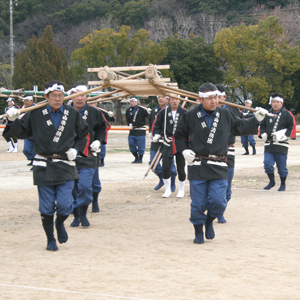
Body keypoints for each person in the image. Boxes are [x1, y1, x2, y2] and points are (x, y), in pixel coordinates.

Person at [174, 82, 267, 244]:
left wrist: (256, 119)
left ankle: (209, 220)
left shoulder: (225, 114)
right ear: (199, 99)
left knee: (219, 201)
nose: (214, 101)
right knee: (198, 202)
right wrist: (184, 150)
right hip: (198, 164)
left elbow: (241, 127)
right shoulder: (189, 116)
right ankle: (198, 230)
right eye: (209, 98)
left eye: (216, 97)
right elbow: (179, 135)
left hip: (219, 164)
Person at [7, 80, 88, 251]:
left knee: (66, 204)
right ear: (46, 97)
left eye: (60, 96)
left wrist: (76, 149)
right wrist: (13, 120)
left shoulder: (72, 113)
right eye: (54, 96)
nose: (57, 99)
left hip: (65, 163)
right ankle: (50, 239)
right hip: (43, 164)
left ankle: (60, 223)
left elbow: (82, 134)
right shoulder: (35, 113)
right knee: (46, 205)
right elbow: (22, 132)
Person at [68, 85, 107, 226]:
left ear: (87, 97)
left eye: (82, 95)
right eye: (76, 95)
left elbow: (103, 128)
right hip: (68, 155)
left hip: (88, 154)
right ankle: (76, 214)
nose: (79, 98)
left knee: (85, 186)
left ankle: (82, 213)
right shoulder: (64, 112)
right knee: (71, 187)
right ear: (70, 96)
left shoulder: (94, 112)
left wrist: (98, 140)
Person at [215, 84, 243, 223]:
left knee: (227, 184)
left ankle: (220, 211)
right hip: (210, 152)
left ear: (225, 97)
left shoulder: (232, 110)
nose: (217, 100)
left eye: (220, 97)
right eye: (214, 97)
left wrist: (256, 120)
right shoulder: (203, 111)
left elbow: (241, 126)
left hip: (228, 150)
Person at [153, 93, 187, 198]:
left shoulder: (185, 113)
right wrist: (157, 134)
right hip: (167, 141)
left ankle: (181, 189)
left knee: (181, 168)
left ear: (180, 101)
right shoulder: (163, 112)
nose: (174, 101)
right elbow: (157, 124)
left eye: (177, 99)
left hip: (181, 142)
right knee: (166, 166)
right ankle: (167, 189)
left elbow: (191, 128)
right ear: (169, 100)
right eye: (172, 99)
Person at [259, 93, 294, 191]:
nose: (275, 104)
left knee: (281, 166)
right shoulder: (266, 114)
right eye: (274, 102)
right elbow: (262, 126)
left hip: (281, 145)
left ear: (282, 103)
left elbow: (292, 127)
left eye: (277, 102)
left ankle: (283, 184)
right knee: (267, 164)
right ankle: (271, 181)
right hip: (269, 144)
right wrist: (262, 134)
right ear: (271, 103)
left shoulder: (287, 114)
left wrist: (286, 135)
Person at [87, 101, 114, 212]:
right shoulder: (69, 111)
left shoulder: (97, 112)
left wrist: (99, 140)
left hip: (92, 149)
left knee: (94, 179)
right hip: (73, 150)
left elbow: (105, 126)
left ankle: (94, 201)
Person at [149, 95, 177, 191]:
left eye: (163, 97)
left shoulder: (173, 110)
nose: (160, 99)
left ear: (168, 99)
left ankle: (172, 181)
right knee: (153, 163)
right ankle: (162, 178)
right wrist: (153, 133)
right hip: (156, 140)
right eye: (159, 97)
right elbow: (152, 123)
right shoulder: (154, 110)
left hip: (168, 140)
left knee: (169, 164)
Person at [125, 97, 150, 163]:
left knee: (141, 145)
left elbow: (149, 116)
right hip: (132, 130)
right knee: (131, 144)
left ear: (137, 102)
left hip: (140, 130)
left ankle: (140, 158)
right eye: (130, 101)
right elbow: (127, 118)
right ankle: (136, 157)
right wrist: (129, 124)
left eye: (133, 101)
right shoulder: (128, 110)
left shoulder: (142, 109)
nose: (131, 103)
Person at [20, 96, 36, 167]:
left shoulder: (36, 108)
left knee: (37, 150)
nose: (25, 102)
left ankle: (35, 163)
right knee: (26, 150)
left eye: (27, 100)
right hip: (28, 133)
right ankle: (33, 160)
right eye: (24, 101)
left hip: (36, 133)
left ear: (32, 101)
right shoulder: (23, 109)